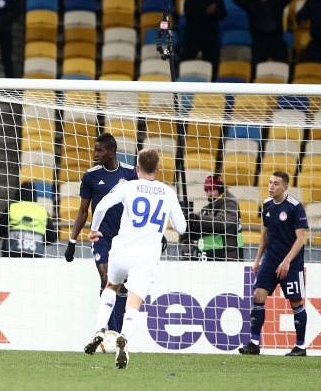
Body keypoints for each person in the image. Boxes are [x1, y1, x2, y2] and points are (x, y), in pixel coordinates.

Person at [83, 149, 187, 369]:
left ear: (137, 168)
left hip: (121, 250)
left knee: (111, 286)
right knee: (134, 303)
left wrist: (94, 230)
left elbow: (101, 206)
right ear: (158, 169)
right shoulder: (168, 193)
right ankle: (124, 339)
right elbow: (182, 227)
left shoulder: (127, 186)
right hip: (147, 256)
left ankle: (101, 329)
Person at [65, 133, 137, 333]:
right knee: (107, 279)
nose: (95, 153)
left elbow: (140, 207)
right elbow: (82, 210)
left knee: (121, 285)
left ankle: (117, 331)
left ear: (112, 151)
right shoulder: (91, 175)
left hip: (125, 238)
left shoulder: (130, 174)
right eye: (95, 149)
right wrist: (72, 241)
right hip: (101, 237)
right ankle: (108, 332)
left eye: (100, 150)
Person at [239, 171, 308, 357]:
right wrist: (257, 260)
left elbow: (301, 238)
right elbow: (265, 234)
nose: (271, 186)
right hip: (270, 260)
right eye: (270, 182)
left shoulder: (295, 207)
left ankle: (300, 346)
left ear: (285, 187)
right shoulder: (267, 205)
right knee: (258, 295)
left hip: (291, 263)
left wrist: (287, 261)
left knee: (295, 302)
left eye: (276, 184)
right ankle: (254, 343)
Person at [227, 0, 295, 68]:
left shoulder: (277, 1)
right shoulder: (251, 2)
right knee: (257, 68)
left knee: (283, 66)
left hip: (277, 40)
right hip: (259, 42)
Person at [0, 181, 57, 257]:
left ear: (18, 193)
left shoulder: (12, 208)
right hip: (35, 259)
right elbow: (52, 238)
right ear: (34, 195)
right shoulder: (42, 211)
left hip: (11, 258)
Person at [182, 176, 241, 261]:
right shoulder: (205, 210)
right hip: (206, 257)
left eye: (212, 190)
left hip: (226, 257)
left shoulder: (230, 205)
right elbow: (202, 232)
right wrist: (188, 228)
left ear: (220, 190)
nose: (209, 194)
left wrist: (197, 220)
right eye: (207, 191)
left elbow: (220, 222)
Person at [182, 0, 227, 76]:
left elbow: (223, 14)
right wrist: (206, 12)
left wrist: (213, 12)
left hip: (210, 38)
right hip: (192, 36)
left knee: (213, 66)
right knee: (185, 63)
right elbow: (188, 13)